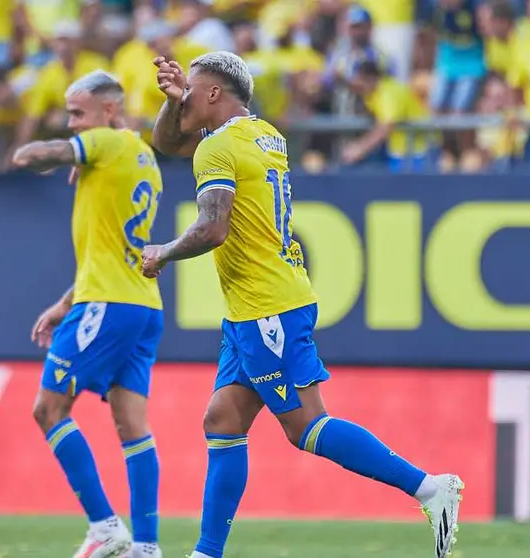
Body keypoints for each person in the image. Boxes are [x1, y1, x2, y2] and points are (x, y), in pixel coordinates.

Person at [144, 52, 464, 558]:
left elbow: (212, 227)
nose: (183, 102)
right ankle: (206, 553)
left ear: (212, 95)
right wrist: (174, 101)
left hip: (264, 306)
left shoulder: (217, 150)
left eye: (192, 92)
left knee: (305, 426)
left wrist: (163, 252)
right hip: (257, 302)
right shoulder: (264, 134)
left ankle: (430, 488)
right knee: (223, 419)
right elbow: (167, 139)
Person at [12, 70, 164, 558]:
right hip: (142, 304)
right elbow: (112, 248)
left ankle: (104, 526)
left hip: (108, 303)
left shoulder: (107, 145)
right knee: (131, 423)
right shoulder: (142, 157)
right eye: (69, 115)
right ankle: (145, 546)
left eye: (78, 113)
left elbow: (41, 155)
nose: (72, 123)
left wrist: (28, 151)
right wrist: (64, 303)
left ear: (110, 110)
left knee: (48, 409)